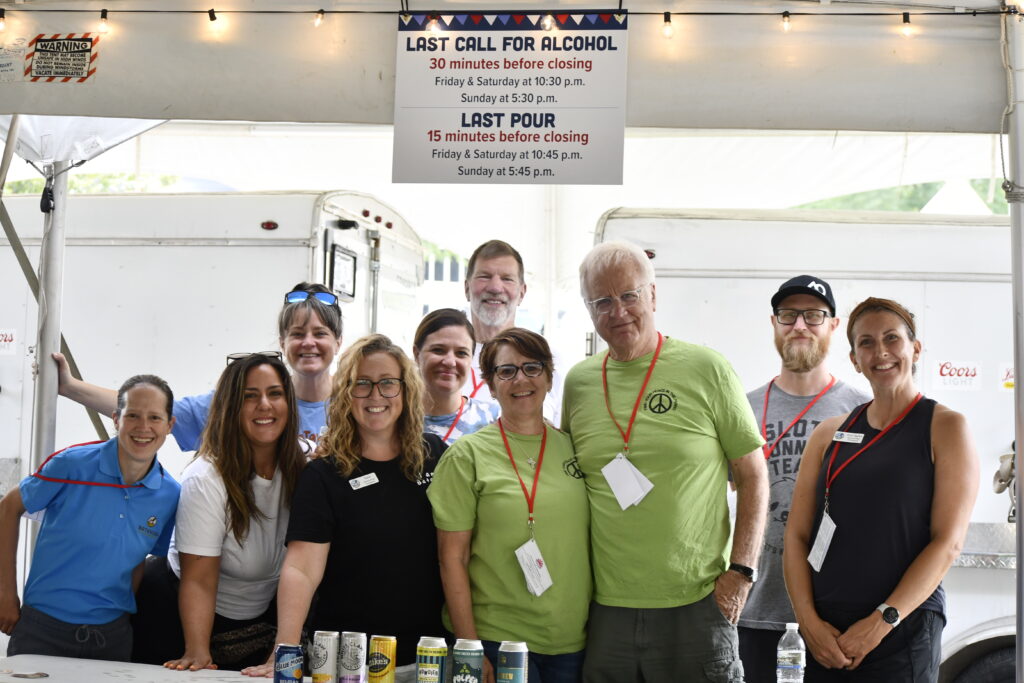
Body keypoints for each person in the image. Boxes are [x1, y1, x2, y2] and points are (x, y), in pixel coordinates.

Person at [560, 240, 767, 682]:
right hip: (606, 610)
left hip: (697, 604)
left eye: (629, 296)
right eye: (602, 302)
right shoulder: (579, 382)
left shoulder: (707, 368)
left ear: (653, 295)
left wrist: (742, 573)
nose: (618, 312)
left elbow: (752, 474)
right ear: (588, 310)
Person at [783, 297, 979, 681]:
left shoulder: (945, 427)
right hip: (827, 634)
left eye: (892, 339)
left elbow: (947, 543)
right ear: (855, 359)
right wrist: (808, 623)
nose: (881, 352)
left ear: (915, 349)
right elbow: (798, 535)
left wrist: (881, 621)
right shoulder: (829, 434)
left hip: (901, 628)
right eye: (867, 343)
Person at [242, 334, 447, 681]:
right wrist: (285, 648)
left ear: (406, 390)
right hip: (346, 662)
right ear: (346, 393)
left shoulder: (435, 456)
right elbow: (302, 570)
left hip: (426, 658)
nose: (375, 395)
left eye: (387, 384)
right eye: (361, 384)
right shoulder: (324, 475)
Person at [429, 328, 590, 683]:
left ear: (549, 376)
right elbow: (451, 558)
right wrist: (469, 645)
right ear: (489, 384)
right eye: (507, 371)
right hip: (496, 639)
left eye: (532, 368)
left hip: (571, 641)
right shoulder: (467, 456)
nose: (521, 379)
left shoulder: (575, 449)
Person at [128, 353, 306, 670]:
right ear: (229, 408)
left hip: (258, 617)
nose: (264, 404)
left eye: (275, 393)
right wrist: (197, 650)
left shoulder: (303, 466)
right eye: (249, 396)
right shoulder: (206, 478)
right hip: (180, 612)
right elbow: (199, 580)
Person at [738, 275, 870, 682]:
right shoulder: (743, 408)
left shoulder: (862, 410)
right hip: (755, 611)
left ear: (833, 325)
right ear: (774, 323)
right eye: (788, 315)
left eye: (813, 315)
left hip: (835, 618)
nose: (799, 325)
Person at [0, 375, 180, 661]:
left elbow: (140, 564)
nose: (143, 427)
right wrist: (5, 594)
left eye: (155, 417)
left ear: (169, 425)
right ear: (116, 419)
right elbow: (8, 507)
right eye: (132, 415)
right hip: (42, 629)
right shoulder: (71, 464)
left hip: (112, 637)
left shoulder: (170, 494)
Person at [53, 282, 343, 448]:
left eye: (320, 334)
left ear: (338, 341)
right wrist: (70, 387)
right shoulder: (245, 401)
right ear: (282, 342)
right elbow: (153, 413)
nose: (308, 343)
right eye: (297, 334)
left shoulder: (352, 405)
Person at [461, 240, 563, 423]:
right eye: (484, 276)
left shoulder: (546, 357)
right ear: (467, 289)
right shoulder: (447, 359)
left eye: (507, 279)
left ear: (522, 293)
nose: (495, 287)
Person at [414, 308, 498, 444]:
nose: (450, 362)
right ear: (417, 354)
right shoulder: (393, 417)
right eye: (438, 350)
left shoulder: (494, 420)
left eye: (461, 353)